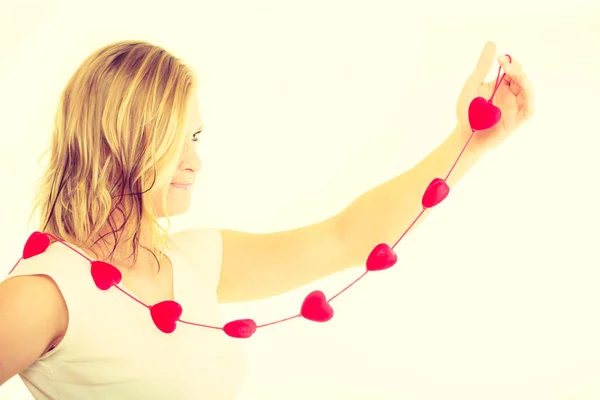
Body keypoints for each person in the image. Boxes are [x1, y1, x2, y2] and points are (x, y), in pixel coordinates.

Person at [0, 39, 534, 399]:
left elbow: (347, 235)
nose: (194, 161)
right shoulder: (44, 293)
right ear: (119, 137)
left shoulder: (196, 259)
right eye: (174, 138)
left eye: (196, 137)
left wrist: (471, 142)